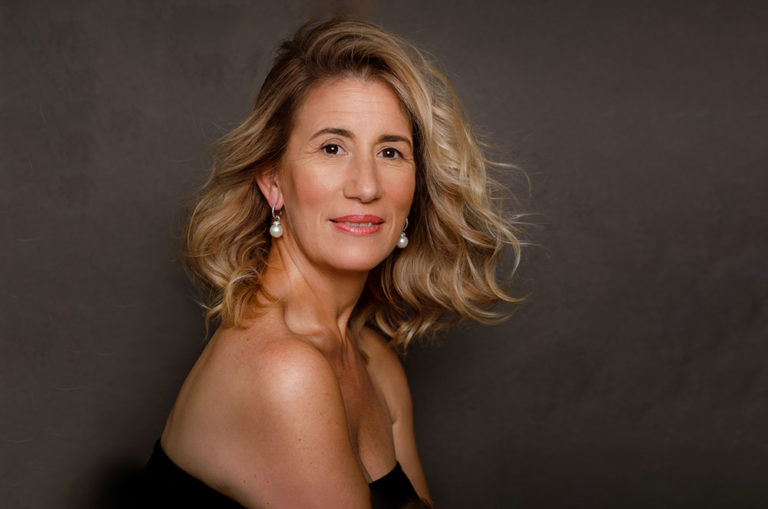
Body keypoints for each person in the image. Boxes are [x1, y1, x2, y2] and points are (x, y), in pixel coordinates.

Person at [144, 17, 523, 508]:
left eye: (390, 152)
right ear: (273, 181)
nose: (366, 186)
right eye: (332, 147)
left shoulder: (372, 360)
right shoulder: (285, 373)